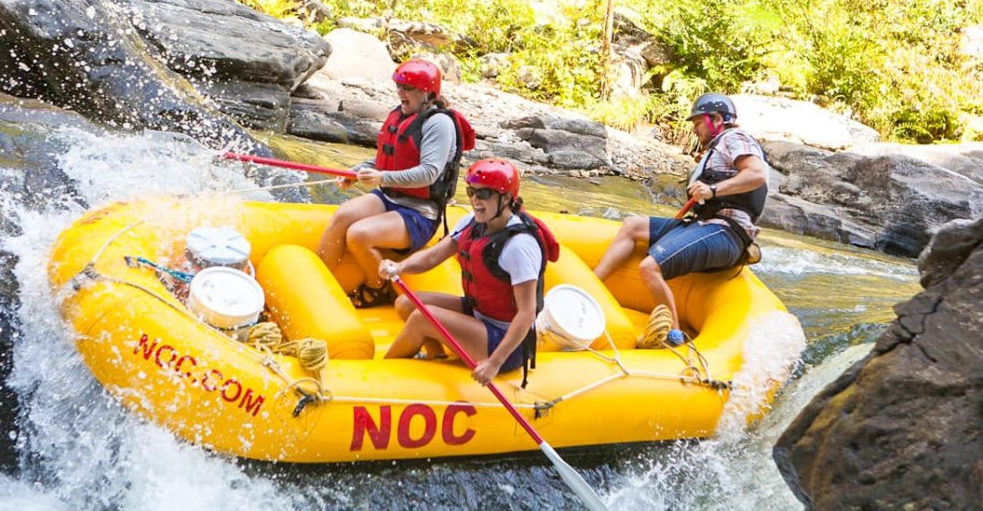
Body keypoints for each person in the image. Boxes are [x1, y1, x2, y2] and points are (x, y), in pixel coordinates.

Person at [593, 93, 767, 346]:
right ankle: (592, 287)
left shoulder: (734, 138)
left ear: (716, 119)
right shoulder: (717, 147)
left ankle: (673, 335)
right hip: (704, 224)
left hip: (726, 232)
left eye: (697, 122)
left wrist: (713, 190)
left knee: (649, 267)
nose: (695, 129)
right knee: (632, 226)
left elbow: (756, 175)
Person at [378, 158, 559, 385]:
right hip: (479, 313)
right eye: (471, 191)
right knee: (406, 303)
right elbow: (434, 256)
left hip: (505, 343)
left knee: (421, 319)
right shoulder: (472, 223)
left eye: (484, 194)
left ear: (505, 199)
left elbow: (526, 313)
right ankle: (437, 356)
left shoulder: (519, 246)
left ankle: (382, 376)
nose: (475, 200)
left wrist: (494, 362)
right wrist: (400, 267)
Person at [316, 58, 475, 307]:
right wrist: (358, 171)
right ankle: (317, 285)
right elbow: (387, 158)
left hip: (420, 212)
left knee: (358, 235)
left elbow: (429, 173)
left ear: (427, 93)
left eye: (408, 88)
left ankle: (376, 287)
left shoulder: (439, 123)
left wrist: (382, 178)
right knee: (342, 216)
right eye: (399, 86)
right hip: (390, 197)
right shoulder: (402, 114)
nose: (401, 92)